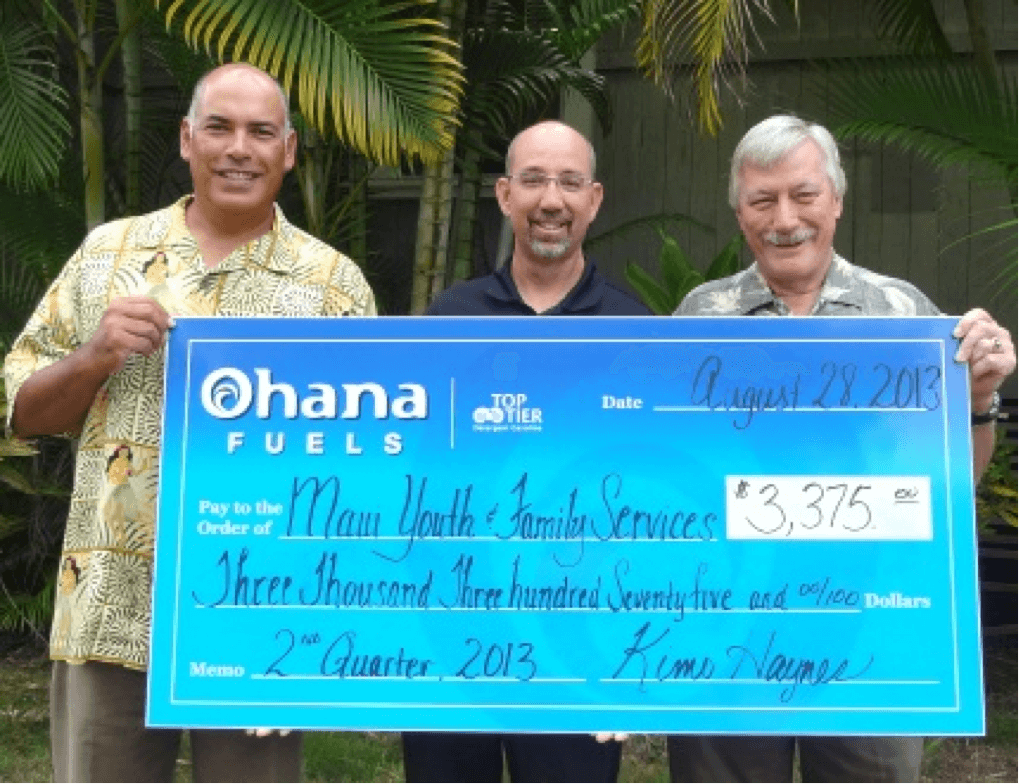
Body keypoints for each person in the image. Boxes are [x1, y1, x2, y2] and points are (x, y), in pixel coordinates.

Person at [3, 63, 375, 783]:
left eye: (261, 132)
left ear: (288, 149)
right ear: (186, 139)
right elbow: (20, 408)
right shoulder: (107, 256)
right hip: (112, 604)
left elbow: (365, 462)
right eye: (219, 127)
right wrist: (95, 355)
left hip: (259, 612)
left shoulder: (333, 286)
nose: (239, 148)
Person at [668, 113, 1016, 783]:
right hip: (730, 628)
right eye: (761, 200)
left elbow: (950, 488)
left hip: (869, 628)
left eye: (802, 194)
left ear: (835, 199)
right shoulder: (696, 317)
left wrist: (976, 400)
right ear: (739, 213)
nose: (784, 217)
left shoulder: (905, 317)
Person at [401, 120, 649, 783]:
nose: (551, 200)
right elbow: (403, 478)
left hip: (580, 650)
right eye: (534, 180)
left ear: (594, 200)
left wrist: (637, 659)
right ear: (504, 194)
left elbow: (660, 505)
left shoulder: (639, 333)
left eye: (569, 182)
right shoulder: (446, 323)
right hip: (452, 640)